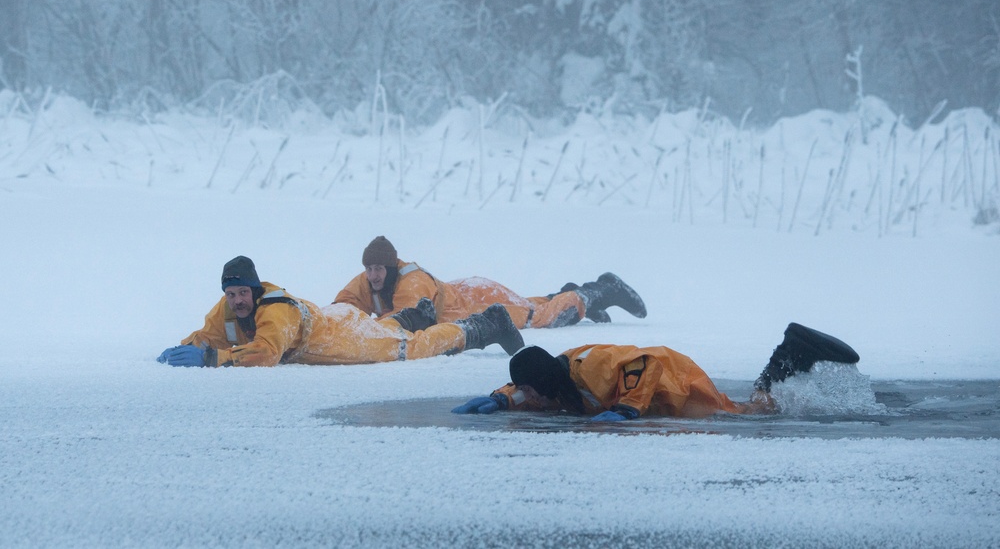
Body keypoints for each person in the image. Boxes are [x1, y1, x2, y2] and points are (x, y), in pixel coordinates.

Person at [157, 255, 524, 368]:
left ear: (254, 290)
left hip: (342, 337)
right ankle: (411, 316)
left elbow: (267, 352)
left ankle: (484, 325)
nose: (237, 300)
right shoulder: (228, 308)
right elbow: (209, 336)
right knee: (386, 329)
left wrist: (209, 359)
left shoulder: (275, 312)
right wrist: (183, 347)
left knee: (409, 348)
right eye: (231, 293)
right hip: (333, 316)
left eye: (242, 293)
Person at [451, 323, 861, 421]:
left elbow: (645, 363)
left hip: (675, 380)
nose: (529, 397)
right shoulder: (552, 377)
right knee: (747, 408)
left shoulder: (588, 369)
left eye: (525, 391)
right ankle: (791, 356)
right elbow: (528, 384)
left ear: (540, 384)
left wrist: (629, 406)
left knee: (746, 412)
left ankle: (792, 352)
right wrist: (500, 397)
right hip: (658, 381)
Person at [333, 235, 647, 330]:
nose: (373, 275)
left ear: (390, 267)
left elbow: (405, 320)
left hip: (478, 301)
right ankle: (566, 293)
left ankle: (600, 289)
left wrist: (361, 329)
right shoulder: (368, 282)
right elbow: (342, 307)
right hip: (463, 292)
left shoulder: (411, 284)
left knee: (542, 318)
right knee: (527, 304)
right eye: (369, 268)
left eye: (378, 269)